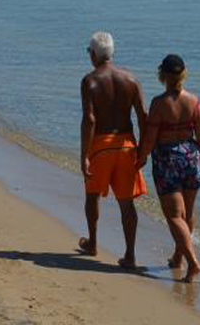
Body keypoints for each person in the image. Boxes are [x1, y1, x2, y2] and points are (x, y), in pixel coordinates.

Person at [137, 54, 200, 283]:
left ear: (162, 75)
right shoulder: (194, 101)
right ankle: (178, 257)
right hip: (192, 159)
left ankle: (193, 263)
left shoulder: (159, 104)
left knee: (174, 216)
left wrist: (140, 158)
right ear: (184, 74)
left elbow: (151, 138)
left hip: (167, 160)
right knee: (188, 214)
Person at [76, 32, 148, 267]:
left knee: (92, 196)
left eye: (89, 52)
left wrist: (84, 154)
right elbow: (142, 117)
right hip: (127, 145)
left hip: (101, 146)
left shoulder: (90, 81)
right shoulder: (131, 80)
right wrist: (144, 150)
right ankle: (130, 255)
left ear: (94, 55)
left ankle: (93, 243)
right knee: (127, 203)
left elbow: (89, 119)